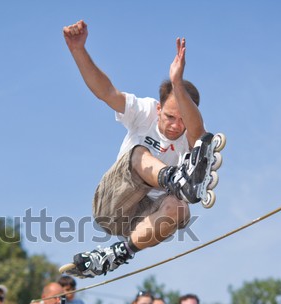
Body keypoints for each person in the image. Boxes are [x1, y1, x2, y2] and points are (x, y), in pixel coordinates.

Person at [62, 20, 218, 278]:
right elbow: (106, 91)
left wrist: (178, 84)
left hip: (142, 221)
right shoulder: (143, 110)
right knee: (138, 152)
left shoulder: (192, 134)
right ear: (158, 109)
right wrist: (78, 50)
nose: (175, 126)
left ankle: (118, 254)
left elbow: (199, 133)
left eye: (182, 121)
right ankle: (174, 178)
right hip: (113, 203)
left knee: (181, 209)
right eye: (169, 117)